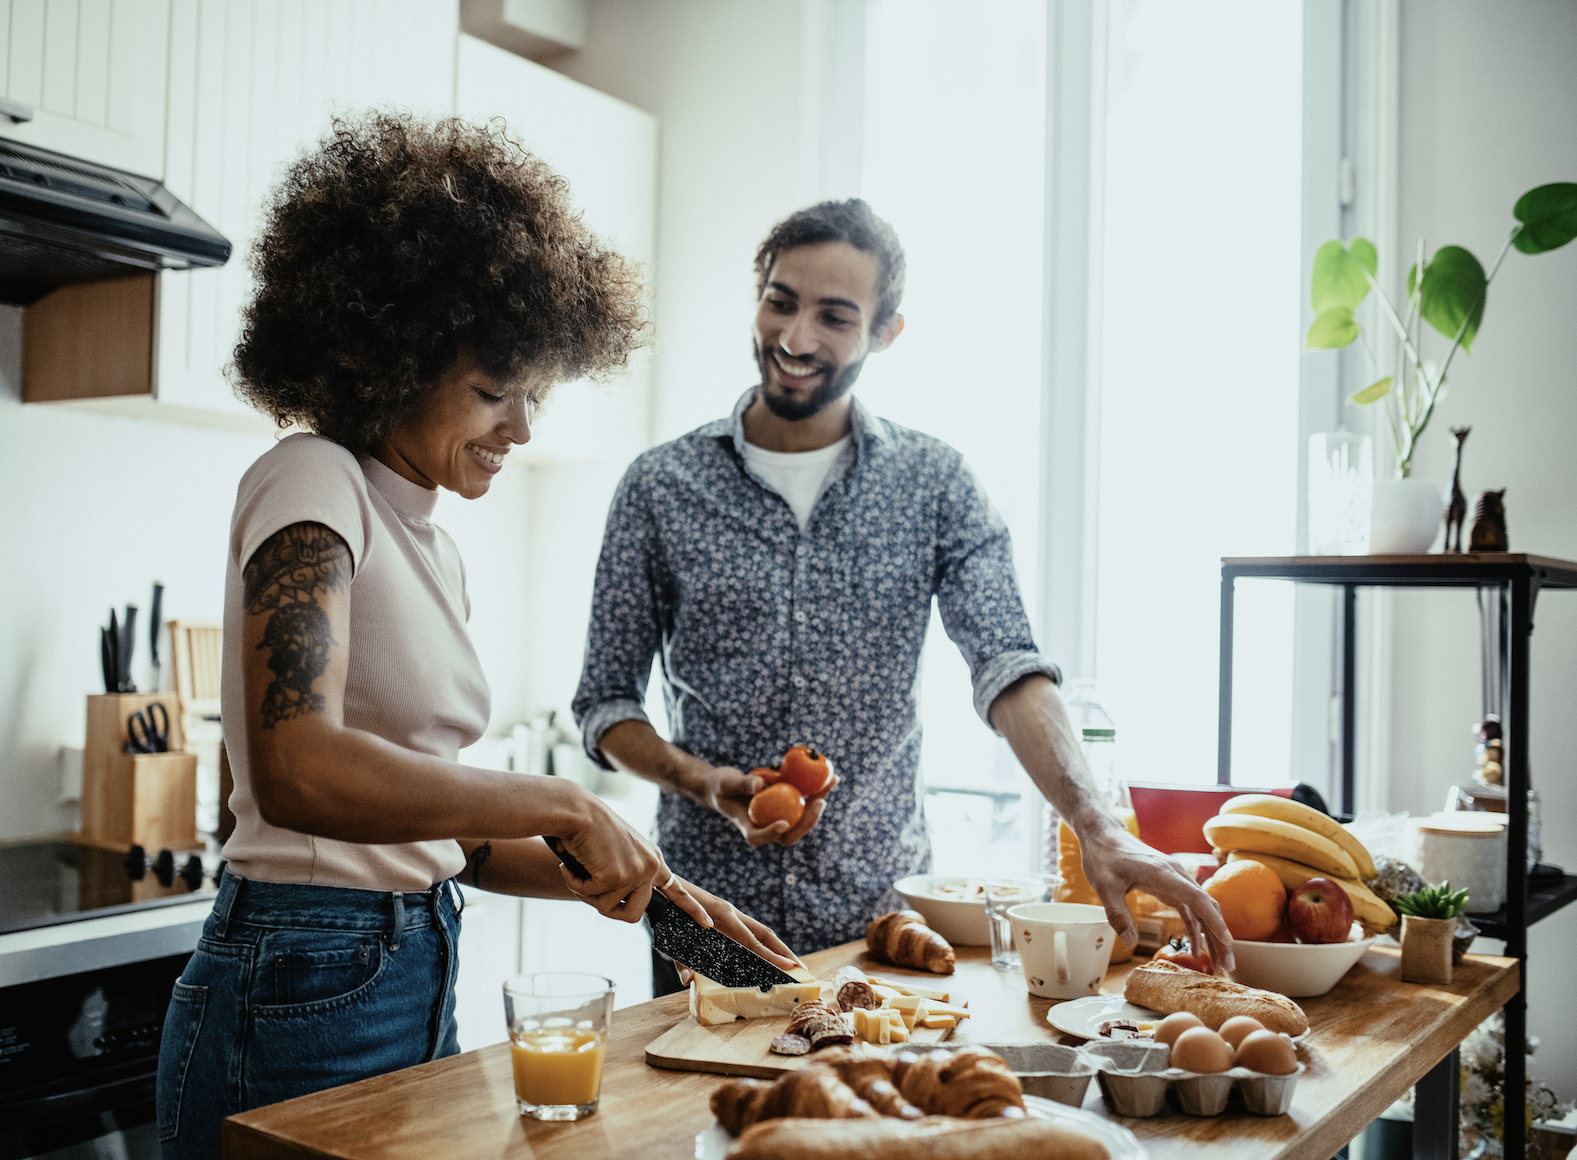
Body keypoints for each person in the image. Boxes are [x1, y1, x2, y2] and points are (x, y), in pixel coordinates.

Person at [155, 114, 797, 1160]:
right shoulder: (311, 477)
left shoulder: (432, 546)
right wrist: (563, 798)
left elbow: (445, 834)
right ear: (386, 359)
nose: (522, 428)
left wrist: (663, 892)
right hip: (301, 971)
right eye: (492, 392)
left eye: (531, 392)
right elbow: (296, 765)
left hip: (411, 962)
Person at [571, 199, 1233, 993]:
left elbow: (1007, 664)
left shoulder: (934, 484)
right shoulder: (658, 487)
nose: (795, 338)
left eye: (835, 316)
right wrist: (701, 782)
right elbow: (605, 705)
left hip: (885, 922)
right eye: (780, 301)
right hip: (706, 914)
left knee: (875, 1108)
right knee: (702, 1102)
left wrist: (1092, 822)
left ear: (886, 332)